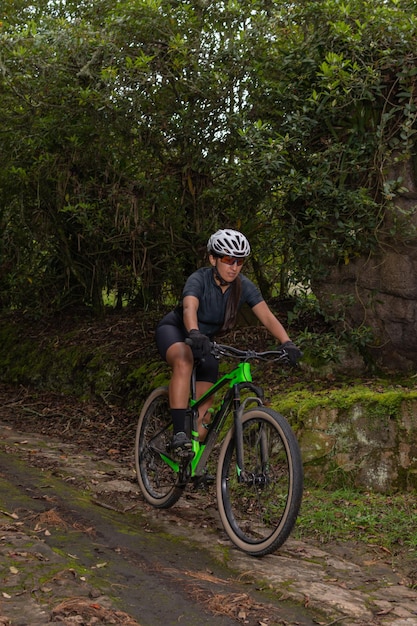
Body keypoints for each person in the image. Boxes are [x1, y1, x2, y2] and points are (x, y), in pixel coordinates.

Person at [155, 228, 302, 455]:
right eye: (228, 259)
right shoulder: (199, 279)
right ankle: (178, 433)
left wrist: (287, 342)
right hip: (176, 331)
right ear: (213, 258)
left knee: (203, 416)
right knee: (184, 360)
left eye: (240, 261)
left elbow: (267, 316)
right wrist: (193, 332)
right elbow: (189, 307)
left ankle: (190, 458)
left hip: (205, 343)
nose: (234, 267)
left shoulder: (243, 286)